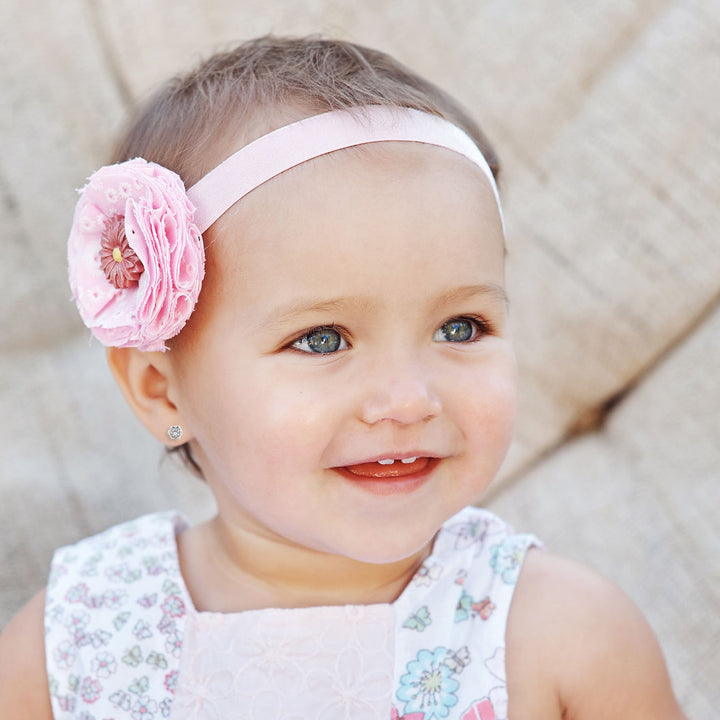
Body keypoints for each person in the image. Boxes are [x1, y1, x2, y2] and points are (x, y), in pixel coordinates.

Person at [0, 36, 686, 720]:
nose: (410, 399)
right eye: (322, 340)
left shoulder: (563, 638)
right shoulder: (76, 639)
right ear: (162, 391)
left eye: (460, 328)